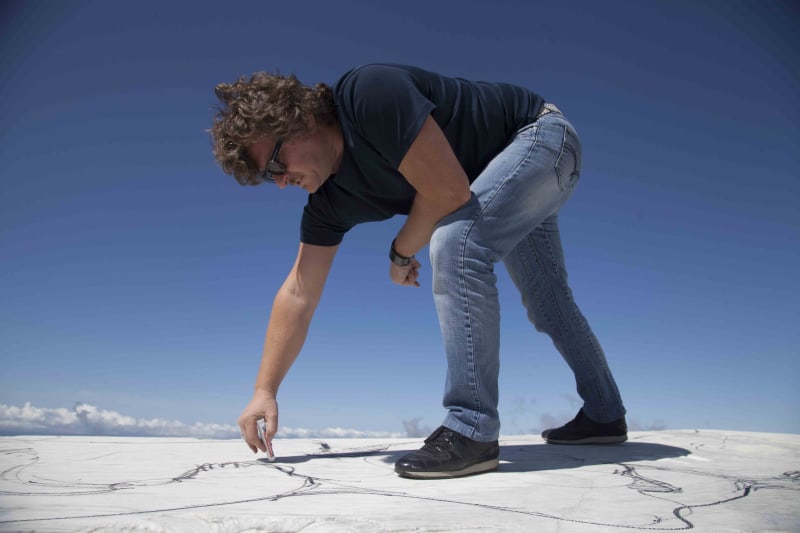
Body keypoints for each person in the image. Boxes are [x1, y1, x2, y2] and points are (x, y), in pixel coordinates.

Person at [210, 63, 627, 479]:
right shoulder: (329, 202)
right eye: (268, 178)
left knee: (456, 243)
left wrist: (399, 253)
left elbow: (448, 191)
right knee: (547, 302)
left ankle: (472, 429)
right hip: (500, 178)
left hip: (541, 139)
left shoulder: (367, 95)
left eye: (275, 165)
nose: (280, 182)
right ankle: (605, 415)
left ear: (299, 119)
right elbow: (299, 293)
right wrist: (264, 390)